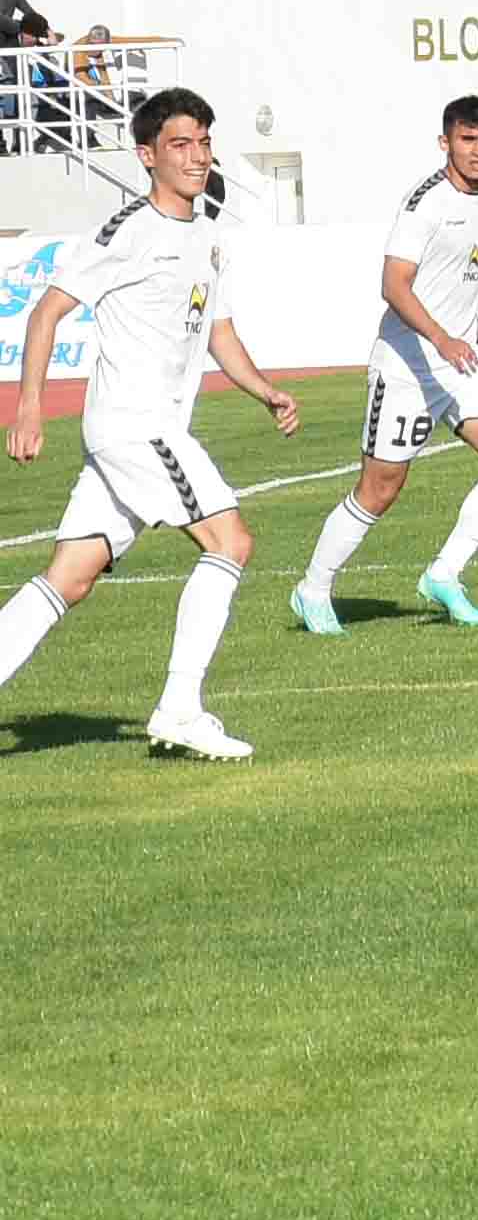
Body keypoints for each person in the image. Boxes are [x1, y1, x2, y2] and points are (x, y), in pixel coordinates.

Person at [0, 90, 303, 761]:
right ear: (147, 155)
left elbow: (218, 331)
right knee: (231, 541)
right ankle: (179, 709)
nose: (197, 157)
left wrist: (264, 391)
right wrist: (29, 407)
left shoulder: (209, 235)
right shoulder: (128, 231)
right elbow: (46, 312)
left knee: (69, 577)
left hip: (138, 432)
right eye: (180, 145)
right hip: (137, 427)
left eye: (204, 142)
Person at [291, 94, 478, 636]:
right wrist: (442, 337)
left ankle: (444, 574)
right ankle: (312, 589)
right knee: (380, 489)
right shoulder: (425, 203)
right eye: (468, 140)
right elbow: (393, 285)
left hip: (458, 360)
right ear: (445, 142)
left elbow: (456, 278)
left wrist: (473, 326)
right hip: (407, 366)